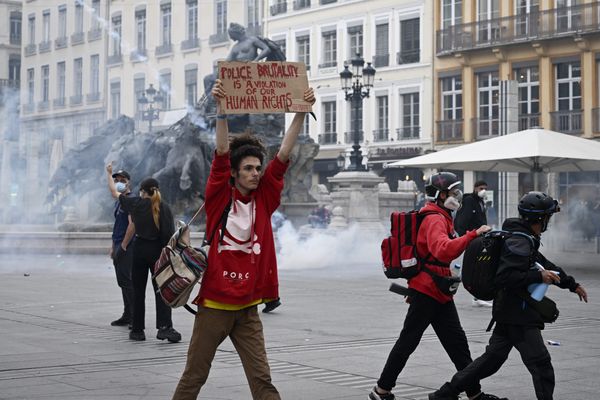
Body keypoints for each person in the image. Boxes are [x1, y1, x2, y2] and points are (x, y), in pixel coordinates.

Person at [171, 79, 315, 400]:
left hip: (248, 309)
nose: (254, 173)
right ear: (235, 173)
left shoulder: (264, 199)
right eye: (247, 168)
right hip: (215, 306)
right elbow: (222, 154)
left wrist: (301, 112)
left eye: (257, 168)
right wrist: (222, 110)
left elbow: (283, 156)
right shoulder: (220, 196)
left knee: (262, 380)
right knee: (194, 376)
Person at [428, 191, 588, 400]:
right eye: (548, 216)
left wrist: (571, 284)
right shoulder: (520, 241)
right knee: (541, 366)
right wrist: (538, 276)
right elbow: (507, 277)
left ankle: (444, 394)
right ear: (540, 218)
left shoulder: (523, 237)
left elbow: (545, 263)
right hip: (518, 314)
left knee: (490, 362)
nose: (549, 221)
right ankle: (445, 393)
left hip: (508, 311)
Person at [369, 172, 499, 400]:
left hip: (437, 290)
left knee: (457, 344)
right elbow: (443, 250)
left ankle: (475, 393)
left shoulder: (441, 215)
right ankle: (382, 390)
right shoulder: (434, 218)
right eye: (452, 192)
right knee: (408, 341)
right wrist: (472, 235)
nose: (457, 195)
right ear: (440, 195)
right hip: (428, 290)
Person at [106, 167, 181, 343]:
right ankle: (164, 328)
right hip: (157, 252)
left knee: (138, 291)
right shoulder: (164, 208)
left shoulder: (136, 204)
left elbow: (114, 192)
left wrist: (109, 174)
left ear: (142, 192)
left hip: (138, 250)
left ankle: (137, 330)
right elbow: (168, 235)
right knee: (160, 291)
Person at [455, 180, 492, 308]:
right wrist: (464, 237)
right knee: (474, 267)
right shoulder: (469, 200)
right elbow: (462, 220)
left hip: (478, 237)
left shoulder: (480, 201)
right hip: (471, 238)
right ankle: (476, 297)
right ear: (475, 188)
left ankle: (476, 296)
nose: (483, 190)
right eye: (481, 188)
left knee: (473, 267)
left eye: (485, 188)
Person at [108, 169, 135, 328]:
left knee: (128, 281)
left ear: (128, 182)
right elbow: (117, 226)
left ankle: (133, 315)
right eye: (116, 179)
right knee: (122, 281)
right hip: (118, 245)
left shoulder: (131, 200)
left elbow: (133, 224)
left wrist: (124, 245)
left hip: (127, 247)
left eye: (122, 179)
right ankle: (127, 314)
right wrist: (113, 247)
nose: (119, 182)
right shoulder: (120, 201)